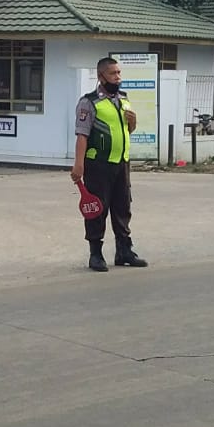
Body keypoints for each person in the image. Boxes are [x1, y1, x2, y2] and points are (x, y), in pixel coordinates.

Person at [70, 57, 148, 271]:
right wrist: (78, 165)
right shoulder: (89, 102)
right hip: (98, 165)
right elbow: (82, 135)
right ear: (101, 76)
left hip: (121, 163)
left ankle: (124, 251)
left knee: (123, 207)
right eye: (113, 73)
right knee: (97, 209)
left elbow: (127, 130)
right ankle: (95, 254)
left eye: (119, 73)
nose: (118, 77)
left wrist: (133, 122)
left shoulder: (123, 99)